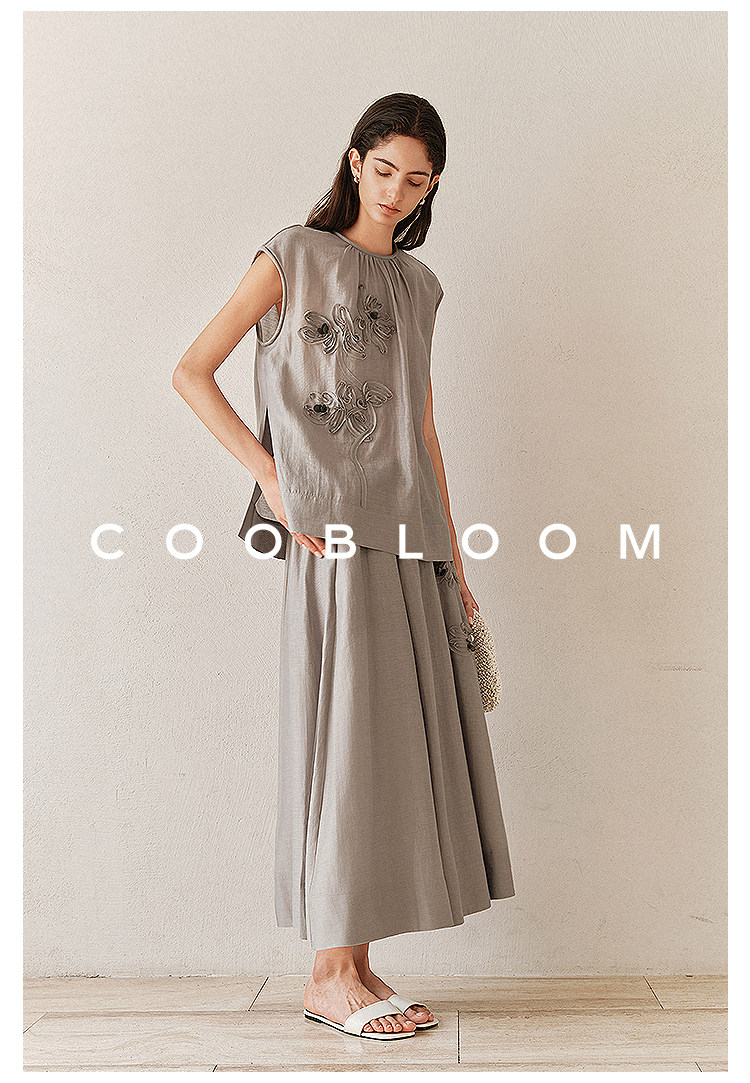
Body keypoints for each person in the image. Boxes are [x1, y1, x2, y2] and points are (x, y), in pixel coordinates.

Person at [172, 93, 515, 1043]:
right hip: (329, 534)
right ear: (355, 161)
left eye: (418, 179)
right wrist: (271, 478)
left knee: (391, 744)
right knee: (346, 738)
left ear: (433, 187)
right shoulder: (291, 255)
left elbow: (424, 431)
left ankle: (355, 962)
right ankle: (328, 973)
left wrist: (455, 554)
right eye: (385, 168)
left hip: (409, 534)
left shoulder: (421, 286)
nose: (397, 190)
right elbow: (191, 369)